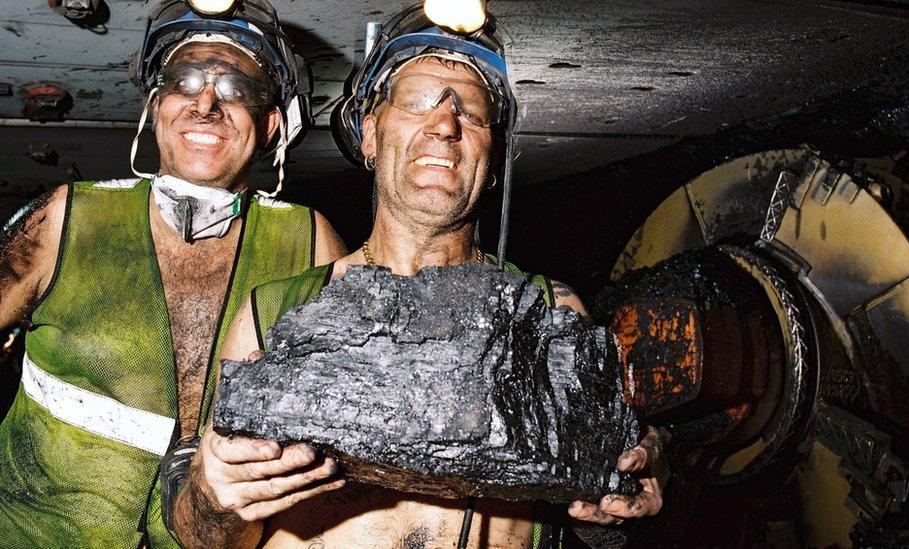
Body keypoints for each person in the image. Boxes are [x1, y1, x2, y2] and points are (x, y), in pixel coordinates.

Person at [171, 4, 663, 548]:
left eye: (472, 115)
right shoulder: (276, 315)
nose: (444, 125)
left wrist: (617, 507)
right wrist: (213, 499)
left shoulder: (549, 314)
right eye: (415, 104)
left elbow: (596, 519)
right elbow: (205, 539)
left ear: (494, 155)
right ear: (370, 135)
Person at [0, 0, 346, 546]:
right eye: (184, 82)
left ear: (270, 123)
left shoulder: (311, 243)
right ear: (155, 107)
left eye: (237, 90)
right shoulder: (64, 218)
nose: (206, 103)